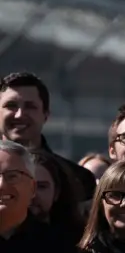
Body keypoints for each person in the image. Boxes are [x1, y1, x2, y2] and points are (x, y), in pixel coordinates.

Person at [0, 72, 95, 210]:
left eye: (30, 106)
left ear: (46, 115)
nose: (20, 114)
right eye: (11, 105)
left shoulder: (77, 179)